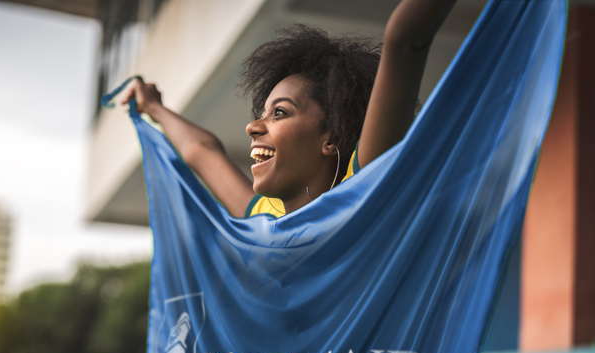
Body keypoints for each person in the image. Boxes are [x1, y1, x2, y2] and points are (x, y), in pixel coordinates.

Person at [121, 0, 458, 219]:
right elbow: (202, 151)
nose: (253, 126)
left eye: (279, 112)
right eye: (263, 113)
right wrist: (155, 108)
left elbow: (405, 39)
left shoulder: (363, 191)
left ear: (332, 137)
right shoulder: (263, 218)